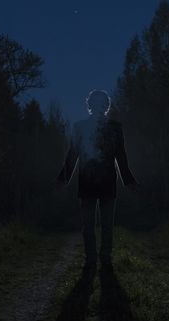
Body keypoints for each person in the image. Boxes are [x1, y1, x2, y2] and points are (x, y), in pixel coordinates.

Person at [56, 89, 139, 268]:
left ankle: (105, 258)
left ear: (106, 106)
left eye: (102, 103)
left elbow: (120, 155)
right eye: (96, 103)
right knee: (88, 225)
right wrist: (63, 178)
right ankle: (91, 258)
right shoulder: (80, 127)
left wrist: (129, 180)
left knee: (107, 225)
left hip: (107, 181)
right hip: (87, 181)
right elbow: (73, 154)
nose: (99, 106)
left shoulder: (115, 128)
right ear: (91, 106)